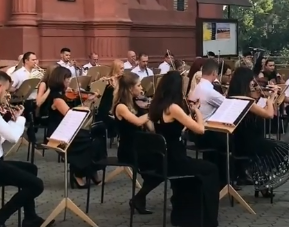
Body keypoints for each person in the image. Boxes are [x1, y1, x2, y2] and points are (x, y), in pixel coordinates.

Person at [0, 71, 48, 227]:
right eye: (6, 90)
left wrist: (10, 120)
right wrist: (20, 119)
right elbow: (13, 138)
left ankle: (30, 218)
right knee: (36, 185)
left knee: (30, 169)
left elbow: (0, 138)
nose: (7, 94)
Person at [227, 67, 289, 202]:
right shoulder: (245, 100)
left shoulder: (232, 97)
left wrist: (268, 99)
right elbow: (269, 114)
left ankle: (270, 186)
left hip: (241, 141)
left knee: (279, 149)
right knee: (287, 150)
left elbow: (266, 112)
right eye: (252, 81)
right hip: (251, 143)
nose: (254, 83)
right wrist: (271, 97)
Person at [148, 71, 220, 227]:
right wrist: (197, 111)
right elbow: (200, 130)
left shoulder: (156, 106)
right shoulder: (173, 107)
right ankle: (208, 218)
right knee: (211, 169)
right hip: (176, 160)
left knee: (199, 170)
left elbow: (172, 130)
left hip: (164, 157)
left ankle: (186, 213)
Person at [46, 67, 106, 188]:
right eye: (66, 78)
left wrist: (88, 102)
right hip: (60, 131)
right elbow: (70, 115)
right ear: (59, 79)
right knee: (87, 139)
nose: (69, 81)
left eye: (69, 78)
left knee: (97, 135)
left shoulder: (63, 94)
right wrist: (86, 104)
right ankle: (78, 173)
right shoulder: (56, 97)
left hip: (70, 129)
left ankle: (92, 168)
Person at [113, 72, 161, 214]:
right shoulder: (121, 106)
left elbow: (150, 128)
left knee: (160, 168)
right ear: (129, 88)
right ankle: (138, 199)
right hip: (128, 149)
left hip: (141, 147)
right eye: (138, 85)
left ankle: (139, 199)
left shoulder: (137, 103)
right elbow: (138, 121)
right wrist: (153, 110)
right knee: (159, 169)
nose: (142, 88)